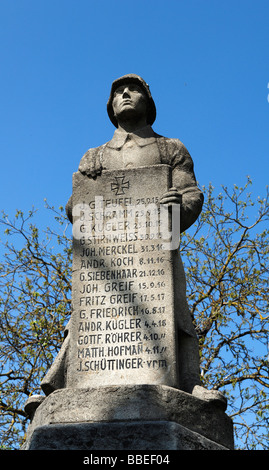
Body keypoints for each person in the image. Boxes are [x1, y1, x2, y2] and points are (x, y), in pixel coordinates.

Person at [43, 74, 226, 408]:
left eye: (133, 89)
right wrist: (83, 197)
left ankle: (189, 381)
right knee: (84, 311)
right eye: (117, 92)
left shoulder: (170, 148)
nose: (125, 93)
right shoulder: (95, 155)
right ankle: (61, 382)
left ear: (148, 100)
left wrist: (178, 207)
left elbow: (191, 194)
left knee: (177, 313)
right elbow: (74, 207)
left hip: (155, 252)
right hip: (106, 256)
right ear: (110, 107)